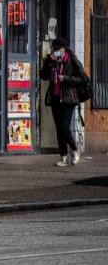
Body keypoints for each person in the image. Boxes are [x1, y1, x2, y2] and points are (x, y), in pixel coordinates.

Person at [40, 36, 84, 167]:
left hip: (68, 98)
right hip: (55, 98)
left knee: (64, 127)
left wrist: (65, 78)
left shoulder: (72, 60)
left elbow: (80, 78)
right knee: (59, 129)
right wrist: (48, 62)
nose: (56, 51)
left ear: (64, 49)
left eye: (58, 49)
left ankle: (75, 150)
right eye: (55, 49)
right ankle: (63, 157)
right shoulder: (52, 60)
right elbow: (43, 76)